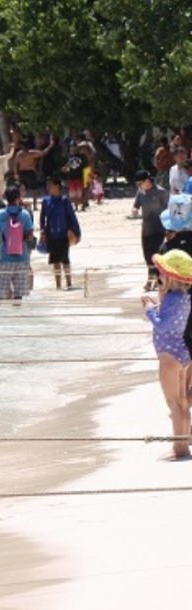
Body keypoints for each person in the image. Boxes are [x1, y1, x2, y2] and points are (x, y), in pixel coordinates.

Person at [143, 249, 192, 459]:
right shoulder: (182, 297)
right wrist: (157, 305)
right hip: (181, 351)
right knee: (181, 401)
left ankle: (179, 448)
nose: (158, 276)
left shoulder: (173, 298)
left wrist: (148, 310)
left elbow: (162, 326)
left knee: (174, 403)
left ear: (171, 276)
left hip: (169, 355)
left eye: (161, 273)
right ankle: (183, 442)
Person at [0, 186, 35, 304]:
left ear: (5, 198)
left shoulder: (0, 214)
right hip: (22, 257)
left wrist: (0, 245)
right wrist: (20, 240)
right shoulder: (25, 214)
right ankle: (17, 318)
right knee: (18, 295)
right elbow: (30, 235)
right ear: (19, 198)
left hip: (4, 257)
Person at [39, 176, 82, 290]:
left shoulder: (65, 201)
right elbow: (42, 218)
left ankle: (69, 283)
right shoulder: (46, 201)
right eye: (48, 185)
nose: (49, 187)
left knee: (65, 259)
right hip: (51, 234)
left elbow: (72, 217)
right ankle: (58, 285)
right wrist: (43, 232)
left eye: (51, 185)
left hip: (64, 234)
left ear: (57, 186)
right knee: (55, 261)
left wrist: (76, 232)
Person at [134, 170, 170, 290]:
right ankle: (151, 278)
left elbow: (167, 210)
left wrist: (168, 229)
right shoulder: (141, 192)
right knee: (147, 255)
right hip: (146, 228)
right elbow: (136, 204)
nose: (139, 186)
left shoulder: (161, 192)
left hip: (159, 228)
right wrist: (134, 210)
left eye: (140, 183)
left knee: (156, 255)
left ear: (147, 180)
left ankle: (156, 280)